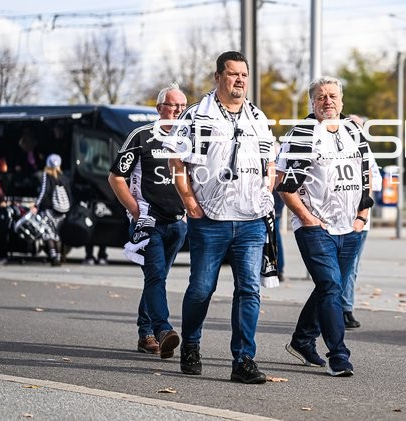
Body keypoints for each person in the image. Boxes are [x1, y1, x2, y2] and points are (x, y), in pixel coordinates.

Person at [164, 51, 275, 384]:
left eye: (243, 74)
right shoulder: (197, 116)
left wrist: (267, 189)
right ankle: (192, 345)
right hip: (209, 220)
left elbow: (269, 162)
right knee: (201, 288)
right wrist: (190, 203)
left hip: (251, 220)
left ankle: (243, 360)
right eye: (232, 74)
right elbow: (177, 163)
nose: (239, 80)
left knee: (249, 291)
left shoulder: (258, 117)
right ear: (218, 77)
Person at [275, 76, 374, 377]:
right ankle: (339, 355)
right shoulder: (302, 134)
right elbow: (284, 185)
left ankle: (302, 341)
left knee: (329, 287)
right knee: (331, 286)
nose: (327, 101)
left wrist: (362, 218)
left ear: (342, 101)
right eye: (321, 97)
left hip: (351, 227)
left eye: (333, 95)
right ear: (313, 102)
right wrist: (306, 218)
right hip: (315, 227)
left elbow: (367, 175)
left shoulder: (354, 132)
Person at [108, 83, 188, 359]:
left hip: (178, 223)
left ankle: (145, 333)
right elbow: (116, 177)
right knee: (155, 275)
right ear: (159, 108)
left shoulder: (189, 139)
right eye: (172, 105)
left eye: (181, 106)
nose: (177, 110)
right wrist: (135, 211)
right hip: (148, 222)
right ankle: (162, 329)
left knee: (158, 278)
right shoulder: (141, 136)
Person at [341, 115, 382, 329]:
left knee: (351, 267)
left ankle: (345, 308)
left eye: (358, 127)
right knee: (333, 269)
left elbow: (378, 180)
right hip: (334, 219)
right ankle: (332, 308)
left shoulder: (365, 152)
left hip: (359, 221)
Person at [33, 153, 73, 266]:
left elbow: (44, 192)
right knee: (57, 234)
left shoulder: (47, 176)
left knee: (49, 234)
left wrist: (36, 205)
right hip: (62, 210)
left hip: (49, 209)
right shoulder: (64, 177)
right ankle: (59, 256)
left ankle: (53, 256)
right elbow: (69, 194)